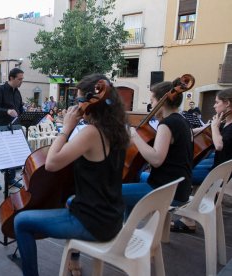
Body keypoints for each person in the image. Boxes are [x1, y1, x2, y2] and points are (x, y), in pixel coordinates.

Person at [14, 73, 129, 276]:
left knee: (21, 221)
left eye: (78, 100)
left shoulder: (91, 133)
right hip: (113, 217)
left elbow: (51, 163)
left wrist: (66, 128)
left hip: (94, 223)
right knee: (70, 199)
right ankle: (73, 261)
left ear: (89, 102)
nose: (76, 106)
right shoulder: (119, 129)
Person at [122, 81, 193, 220]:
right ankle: (129, 227)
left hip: (165, 191)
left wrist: (135, 135)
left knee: (110, 192)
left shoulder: (167, 124)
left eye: (152, 101)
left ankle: (124, 230)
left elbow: (156, 160)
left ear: (162, 101)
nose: (151, 106)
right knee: (135, 175)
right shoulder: (182, 121)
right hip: (179, 187)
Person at [173, 88, 232, 233]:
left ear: (228, 104)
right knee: (188, 167)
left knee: (180, 175)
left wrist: (214, 127)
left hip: (218, 173)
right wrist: (181, 130)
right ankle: (189, 216)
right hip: (216, 167)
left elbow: (219, 145)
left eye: (217, 102)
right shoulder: (224, 122)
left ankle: (187, 216)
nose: (214, 105)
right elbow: (204, 130)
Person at [0, 68, 25, 190]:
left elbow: (20, 109)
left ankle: (10, 179)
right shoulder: (0, 90)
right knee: (0, 154)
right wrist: (7, 111)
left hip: (14, 127)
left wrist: (25, 116)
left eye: (22, 79)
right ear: (11, 78)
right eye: (19, 79)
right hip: (1, 126)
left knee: (13, 154)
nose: (21, 82)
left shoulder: (18, 92)